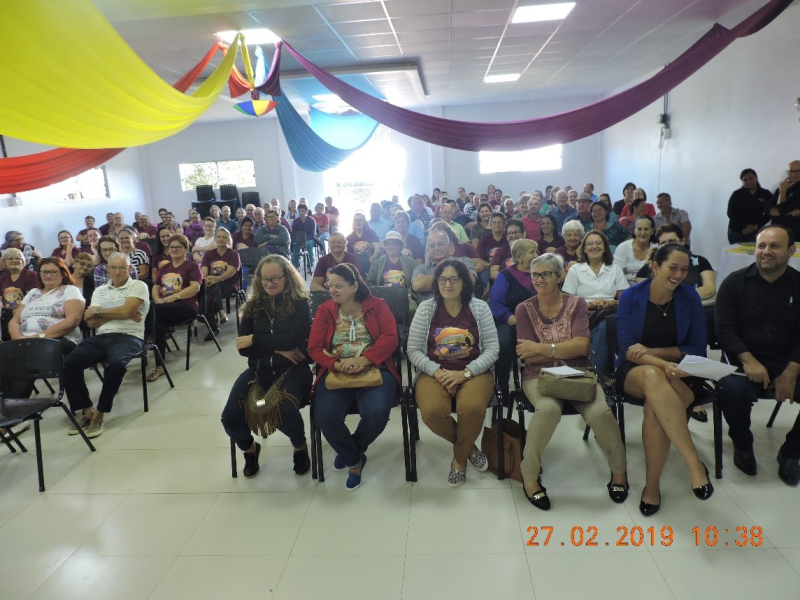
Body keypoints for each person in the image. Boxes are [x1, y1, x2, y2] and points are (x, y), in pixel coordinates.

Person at [516, 253, 627, 510]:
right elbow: (525, 352)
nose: (540, 279)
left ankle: (619, 472)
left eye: (546, 274)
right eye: (535, 274)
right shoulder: (524, 309)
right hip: (538, 376)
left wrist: (545, 348)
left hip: (578, 372)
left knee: (601, 412)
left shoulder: (576, 304)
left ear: (559, 276)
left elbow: (582, 346)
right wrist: (562, 349)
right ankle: (529, 475)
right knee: (548, 409)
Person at [615, 243, 713, 516]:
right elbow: (627, 349)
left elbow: (697, 348)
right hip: (637, 371)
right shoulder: (631, 297)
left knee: (655, 409)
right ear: (656, 267)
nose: (679, 275)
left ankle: (651, 487)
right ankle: (693, 463)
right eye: (673, 267)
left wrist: (654, 352)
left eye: (684, 269)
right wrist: (660, 363)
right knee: (651, 374)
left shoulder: (690, 298)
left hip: (683, 372)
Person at [715, 225, 800, 485]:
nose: (766, 251)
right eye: (761, 246)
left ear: (791, 250)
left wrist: (791, 371)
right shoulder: (734, 283)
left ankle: (792, 451)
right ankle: (742, 444)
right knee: (731, 389)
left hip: (788, 362)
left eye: (774, 246)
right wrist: (748, 360)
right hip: (743, 361)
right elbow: (724, 329)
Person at [406, 258, 499, 487]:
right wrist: (437, 372)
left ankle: (459, 460)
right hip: (433, 372)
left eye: (454, 279)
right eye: (442, 279)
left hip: (475, 370)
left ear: (464, 282)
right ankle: (469, 448)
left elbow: (493, 349)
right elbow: (413, 350)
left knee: (472, 408)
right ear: (436, 282)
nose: (448, 284)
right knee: (432, 411)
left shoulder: (479, 308)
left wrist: (466, 373)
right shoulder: (426, 308)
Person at [308, 263, 400, 491]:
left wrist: (365, 359)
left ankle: (350, 452)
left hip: (374, 368)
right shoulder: (325, 310)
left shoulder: (377, 306)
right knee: (325, 416)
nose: (332, 290)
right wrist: (336, 363)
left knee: (377, 412)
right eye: (330, 285)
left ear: (354, 286)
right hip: (335, 371)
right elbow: (314, 348)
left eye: (339, 286)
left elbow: (390, 338)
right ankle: (354, 459)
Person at [221, 255, 313, 478]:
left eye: (275, 279)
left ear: (287, 278)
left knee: (282, 409)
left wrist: (255, 340)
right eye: (264, 279)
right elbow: (243, 348)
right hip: (258, 371)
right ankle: (250, 450)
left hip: (293, 371)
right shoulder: (253, 307)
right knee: (230, 418)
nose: (270, 284)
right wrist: (276, 347)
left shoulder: (300, 304)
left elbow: (293, 340)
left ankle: (299, 446)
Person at [63, 253, 150, 438]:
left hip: (130, 336)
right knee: (68, 363)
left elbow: (125, 311)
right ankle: (87, 410)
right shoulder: (99, 290)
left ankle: (101, 413)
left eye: (122, 268)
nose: (117, 272)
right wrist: (120, 312)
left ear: (129, 268)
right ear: (107, 269)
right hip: (102, 336)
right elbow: (90, 322)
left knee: (117, 365)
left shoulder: (138, 285)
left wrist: (99, 311)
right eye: (113, 268)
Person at [6, 258, 84, 397]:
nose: (48, 276)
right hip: (26, 341)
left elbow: (73, 320)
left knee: (25, 361)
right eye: (44, 272)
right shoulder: (33, 293)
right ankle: (6, 405)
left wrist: (40, 336)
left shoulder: (70, 290)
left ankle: (13, 408)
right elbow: (15, 321)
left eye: (53, 272)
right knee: (6, 356)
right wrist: (17, 338)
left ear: (63, 273)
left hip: (59, 340)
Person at [562, 231, 629, 374]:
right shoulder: (576, 270)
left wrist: (611, 303)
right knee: (605, 325)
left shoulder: (614, 269)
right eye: (590, 243)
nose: (595, 246)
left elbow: (625, 299)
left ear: (605, 247)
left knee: (606, 324)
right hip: (583, 313)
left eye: (599, 243)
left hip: (610, 312)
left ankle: (593, 373)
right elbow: (568, 303)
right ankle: (599, 373)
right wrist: (590, 305)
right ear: (584, 248)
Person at [148, 234, 203, 381]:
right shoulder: (165, 267)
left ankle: (146, 338)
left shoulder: (193, 266)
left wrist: (173, 298)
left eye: (178, 247)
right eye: (172, 247)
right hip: (164, 307)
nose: (174, 249)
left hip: (186, 306)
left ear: (186, 249)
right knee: (158, 324)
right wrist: (157, 299)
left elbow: (195, 288)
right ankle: (160, 366)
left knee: (152, 312)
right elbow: (155, 287)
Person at [489, 239, 538, 397]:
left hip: (538, 322)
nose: (536, 255)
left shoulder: (541, 274)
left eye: (536, 252)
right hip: (510, 321)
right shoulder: (505, 275)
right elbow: (496, 304)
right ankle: (502, 386)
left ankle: (540, 381)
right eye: (532, 252)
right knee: (502, 343)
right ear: (519, 256)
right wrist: (515, 320)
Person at [635, 224, 715, 300]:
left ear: (682, 242)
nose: (668, 246)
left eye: (671, 241)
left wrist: (679, 298)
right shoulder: (652, 265)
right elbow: (645, 292)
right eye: (663, 243)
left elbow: (710, 289)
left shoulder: (700, 261)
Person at [412, 229, 477, 302]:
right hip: (432, 311)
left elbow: (470, 282)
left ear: (450, 246)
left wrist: (428, 280)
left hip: (464, 307)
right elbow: (417, 286)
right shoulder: (421, 268)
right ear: (428, 250)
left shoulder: (465, 261)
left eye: (440, 244)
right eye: (432, 246)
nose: (437, 248)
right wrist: (455, 277)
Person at [201, 227, 241, 338]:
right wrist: (208, 278)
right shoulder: (209, 254)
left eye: (224, 237)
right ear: (215, 238)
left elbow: (231, 272)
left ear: (228, 239)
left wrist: (216, 279)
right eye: (218, 236)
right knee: (210, 292)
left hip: (229, 284)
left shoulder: (233, 254)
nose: (221, 239)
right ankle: (221, 312)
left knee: (210, 291)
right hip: (212, 284)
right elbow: (204, 270)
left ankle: (212, 327)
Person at [366, 231, 418, 312]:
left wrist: (409, 294)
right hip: (382, 298)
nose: (390, 247)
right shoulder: (377, 263)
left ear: (400, 246)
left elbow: (417, 282)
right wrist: (378, 294)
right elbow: (369, 283)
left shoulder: (410, 262)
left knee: (412, 309)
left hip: (405, 297)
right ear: (385, 246)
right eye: (388, 244)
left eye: (394, 244)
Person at [0, 248, 39, 341]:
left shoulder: (31, 275)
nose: (14, 261)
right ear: (5, 262)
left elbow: (32, 298)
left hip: (25, 312)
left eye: (18, 258)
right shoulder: (2, 278)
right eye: (10, 258)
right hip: (6, 314)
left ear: (23, 260)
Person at [727, 168, 771, 244]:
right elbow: (731, 213)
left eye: (751, 178)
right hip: (737, 231)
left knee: (754, 254)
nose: (748, 181)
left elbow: (770, 212)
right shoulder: (737, 194)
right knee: (736, 254)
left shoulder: (765, 194)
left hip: (756, 231)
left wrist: (756, 226)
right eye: (745, 180)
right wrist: (746, 226)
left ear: (756, 178)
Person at [613, 216, 657, 283]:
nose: (642, 233)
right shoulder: (623, 247)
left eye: (646, 229)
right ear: (634, 230)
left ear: (652, 231)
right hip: (626, 285)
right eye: (639, 229)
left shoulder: (657, 248)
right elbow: (617, 274)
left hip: (650, 285)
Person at [766, 160, 800, 240]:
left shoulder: (784, 188)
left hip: (795, 234)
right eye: (791, 171)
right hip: (778, 232)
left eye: (798, 171)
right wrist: (782, 190)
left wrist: (783, 191)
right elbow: (768, 208)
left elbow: (780, 210)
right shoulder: (783, 186)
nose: (794, 174)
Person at [291, 204, 318, 269]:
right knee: (295, 245)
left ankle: (311, 263)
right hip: (299, 240)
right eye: (299, 211)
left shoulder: (311, 220)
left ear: (307, 211)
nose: (301, 213)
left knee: (308, 244)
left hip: (310, 239)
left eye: (303, 211)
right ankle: (296, 264)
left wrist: (304, 241)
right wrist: (300, 242)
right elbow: (294, 233)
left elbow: (312, 234)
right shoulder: (296, 221)